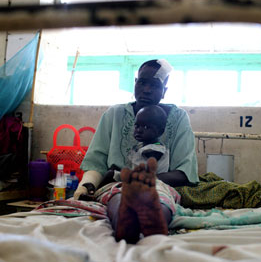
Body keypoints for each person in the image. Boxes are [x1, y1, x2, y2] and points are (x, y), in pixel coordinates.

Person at [73, 59, 199, 243]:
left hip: (159, 184)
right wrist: (86, 185)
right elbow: (97, 163)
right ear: (135, 83)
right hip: (118, 184)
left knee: (159, 199)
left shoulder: (178, 118)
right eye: (142, 82)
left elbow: (184, 173)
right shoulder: (114, 115)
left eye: (154, 85)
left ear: (165, 91)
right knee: (119, 197)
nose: (146, 89)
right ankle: (125, 223)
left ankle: (155, 225)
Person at [83, 104, 170, 192]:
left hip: (150, 182)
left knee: (113, 175)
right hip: (136, 178)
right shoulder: (141, 146)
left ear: (160, 131)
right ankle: (96, 192)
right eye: (137, 126)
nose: (139, 130)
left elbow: (146, 172)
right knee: (111, 173)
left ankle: (97, 193)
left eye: (146, 127)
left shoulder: (155, 149)